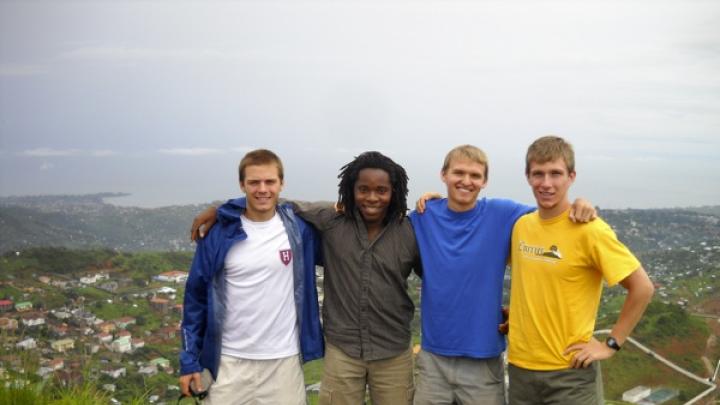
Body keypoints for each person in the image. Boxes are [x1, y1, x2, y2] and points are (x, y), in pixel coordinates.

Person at [191, 151, 422, 405]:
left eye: (382, 190)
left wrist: (433, 201)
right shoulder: (331, 221)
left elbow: (436, 267)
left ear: (394, 191)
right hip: (342, 351)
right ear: (350, 189)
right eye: (363, 189)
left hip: (393, 351)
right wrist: (223, 210)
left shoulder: (410, 232)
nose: (372, 197)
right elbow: (275, 201)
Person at [410, 144, 596, 405]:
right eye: (458, 173)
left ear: (485, 181)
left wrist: (580, 203)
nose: (466, 181)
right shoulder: (423, 215)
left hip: (483, 360)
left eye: (475, 175)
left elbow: (552, 213)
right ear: (443, 175)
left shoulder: (502, 213)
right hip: (433, 358)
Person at [507, 136, 654, 404]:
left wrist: (611, 344)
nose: (546, 183)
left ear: (571, 177)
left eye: (556, 173)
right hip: (520, 370)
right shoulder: (521, 227)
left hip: (570, 374)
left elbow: (642, 287)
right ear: (528, 177)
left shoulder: (591, 230)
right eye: (538, 174)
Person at [178, 149, 324, 405]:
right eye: (254, 182)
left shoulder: (299, 232)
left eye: (270, 182)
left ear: (282, 184)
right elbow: (195, 299)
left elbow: (342, 216)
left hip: (284, 363)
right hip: (228, 363)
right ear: (242, 185)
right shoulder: (218, 234)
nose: (262, 189)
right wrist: (189, 361)